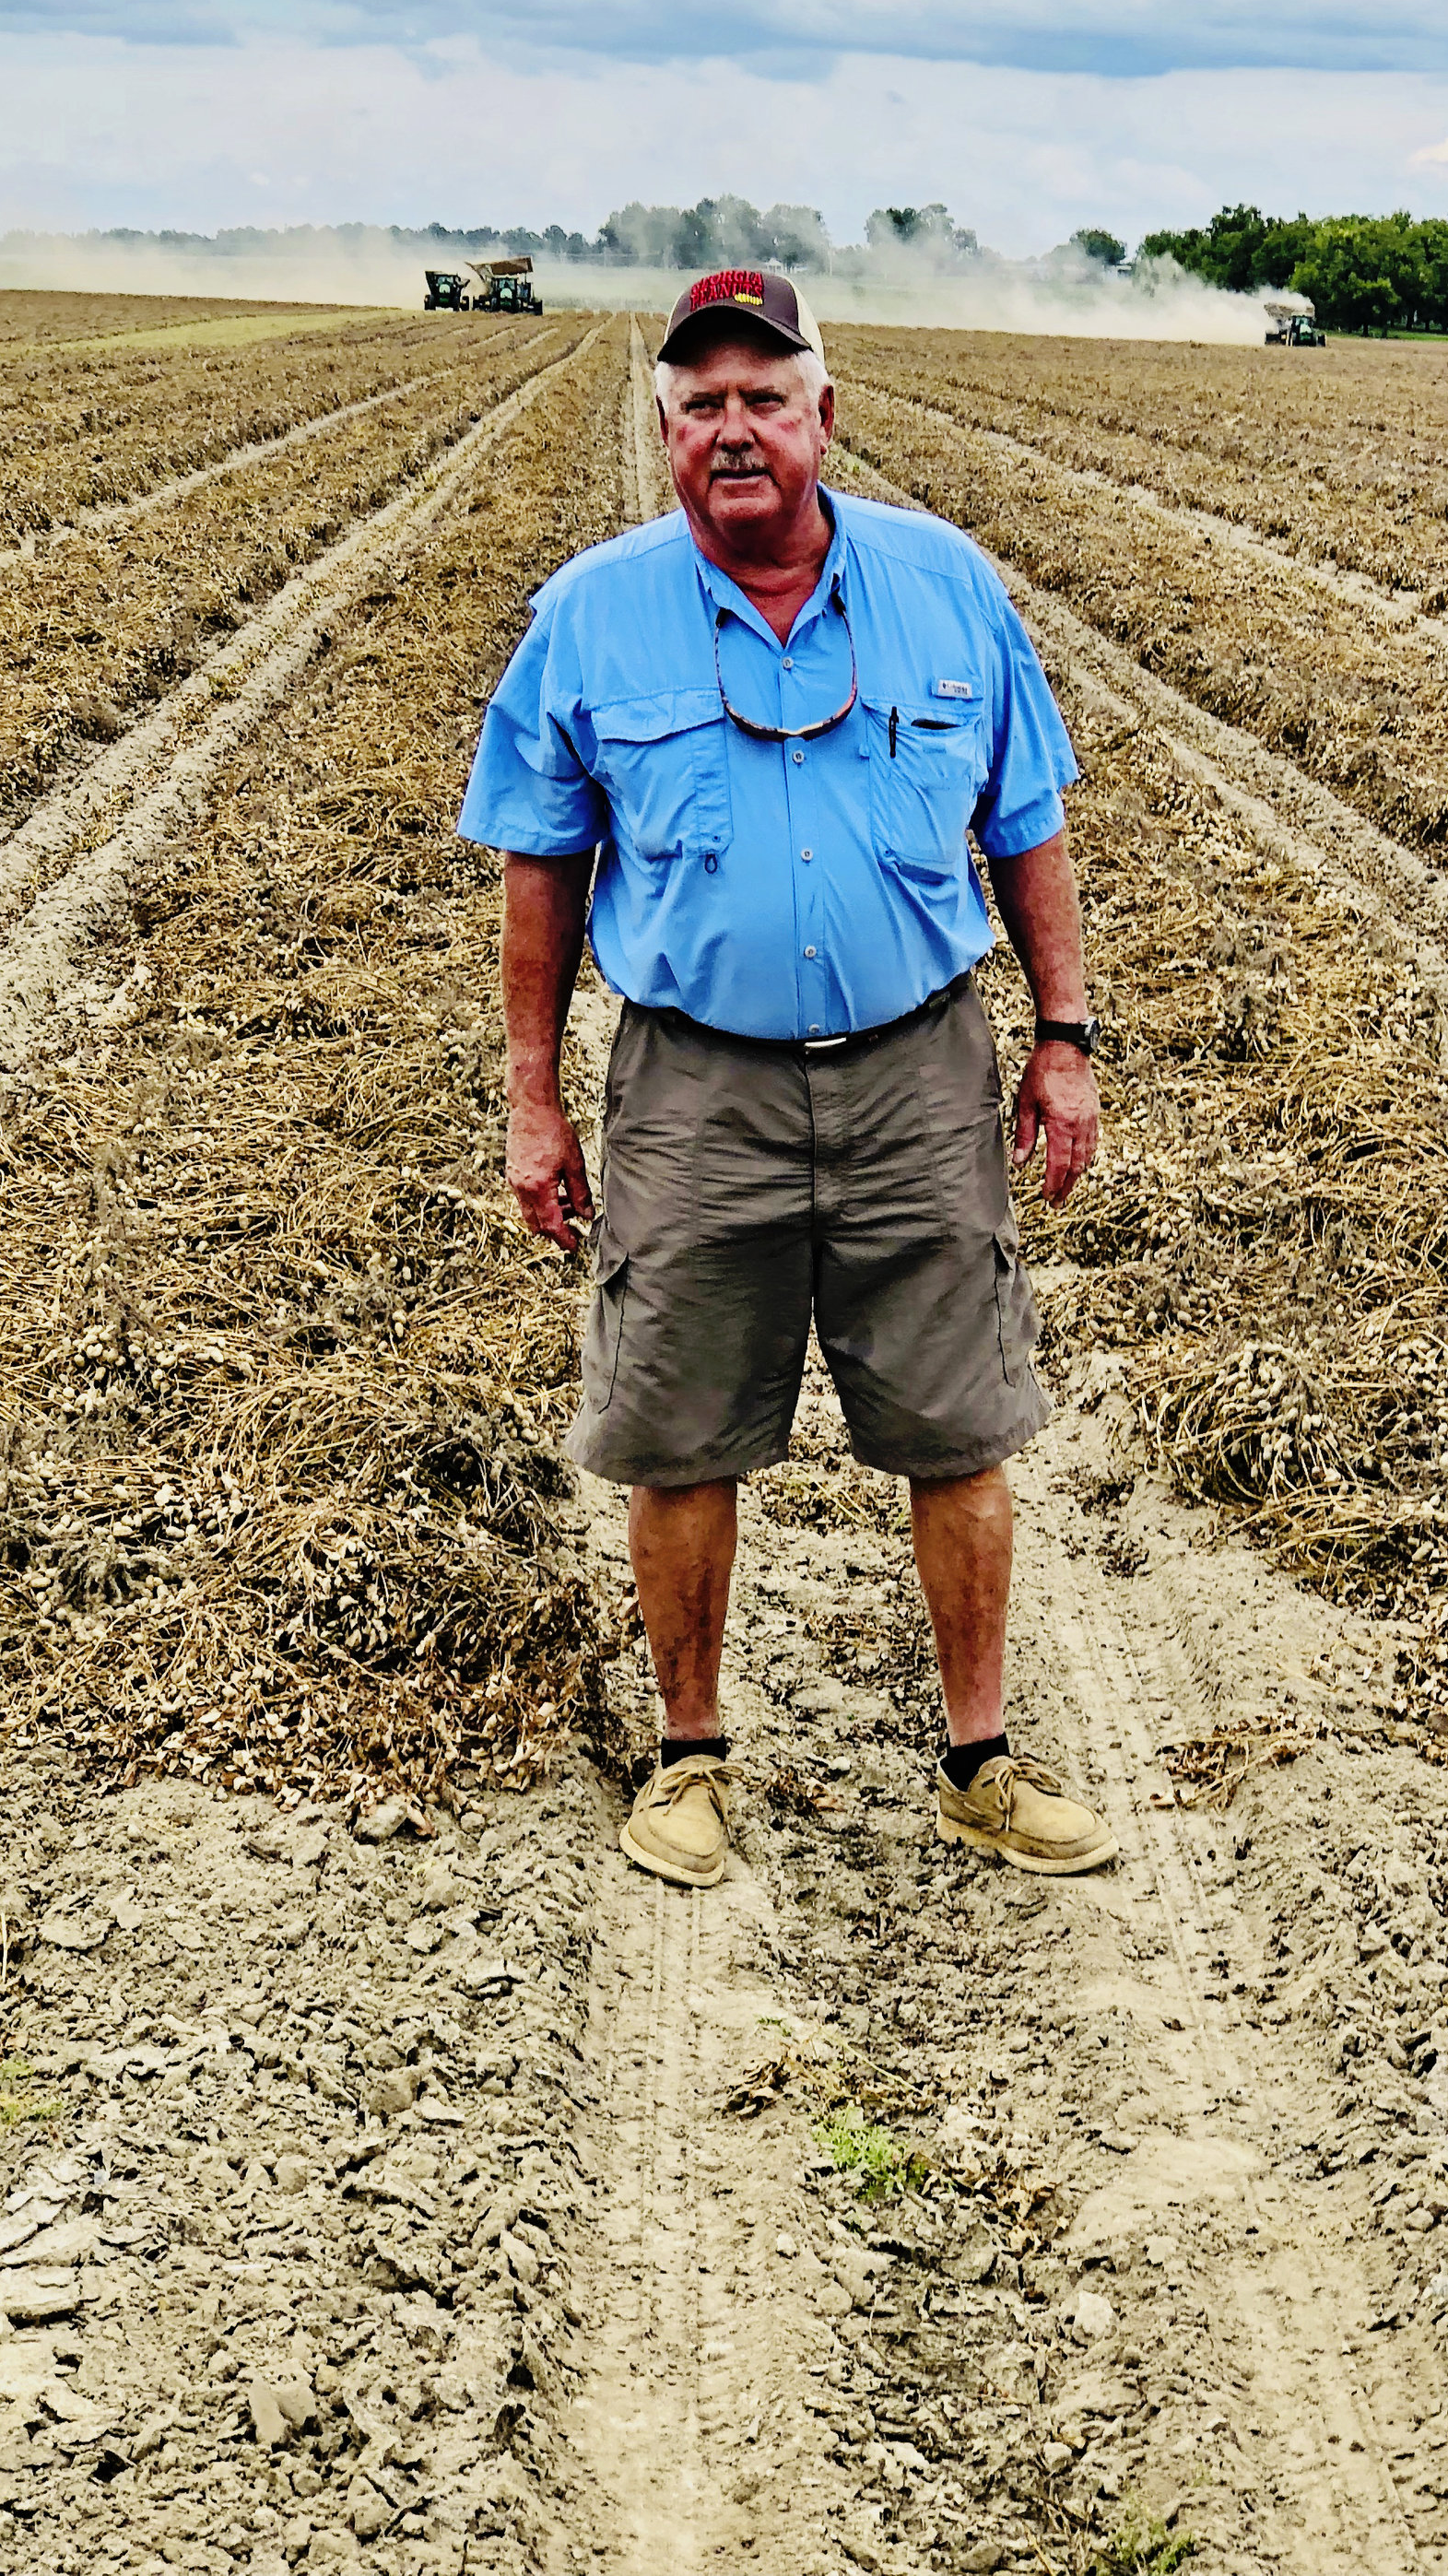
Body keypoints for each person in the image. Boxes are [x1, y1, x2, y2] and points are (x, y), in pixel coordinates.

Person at [457, 268, 1112, 1888]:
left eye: (766, 396)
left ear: (827, 415)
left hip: (919, 1072)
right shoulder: (589, 616)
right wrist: (537, 1098)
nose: (734, 428)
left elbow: (1025, 821)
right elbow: (540, 868)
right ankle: (691, 1759)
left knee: (960, 1424)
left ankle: (979, 1758)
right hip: (694, 1086)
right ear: (664, 430)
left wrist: (1066, 1035)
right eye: (702, 404)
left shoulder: (949, 590)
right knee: (680, 1433)